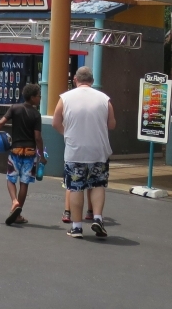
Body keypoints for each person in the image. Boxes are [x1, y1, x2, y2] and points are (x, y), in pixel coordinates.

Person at [53, 66, 115, 239]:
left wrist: (68, 134)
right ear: (92, 81)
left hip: (75, 151)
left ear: (75, 79)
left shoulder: (65, 98)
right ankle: (97, 218)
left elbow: (56, 123)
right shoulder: (104, 99)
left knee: (75, 188)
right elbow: (112, 124)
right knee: (98, 185)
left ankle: (77, 227)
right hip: (98, 150)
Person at [0, 83, 45, 225]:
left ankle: (14, 201)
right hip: (30, 153)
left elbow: (1, 122)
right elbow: (37, 137)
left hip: (15, 151)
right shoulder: (36, 114)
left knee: (11, 178)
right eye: (39, 96)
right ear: (32, 98)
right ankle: (18, 214)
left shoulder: (15, 108)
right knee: (24, 183)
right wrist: (41, 155)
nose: (40, 98)